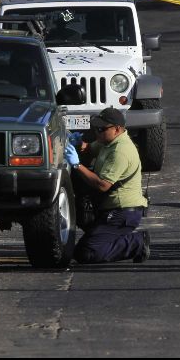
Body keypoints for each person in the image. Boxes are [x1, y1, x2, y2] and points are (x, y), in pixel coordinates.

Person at [64, 107, 150, 264]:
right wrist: (78, 143)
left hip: (122, 213)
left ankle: (136, 243)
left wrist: (77, 165)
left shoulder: (120, 151)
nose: (97, 132)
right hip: (108, 208)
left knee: (86, 252)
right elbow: (89, 149)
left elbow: (102, 185)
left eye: (101, 129)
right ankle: (105, 236)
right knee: (82, 215)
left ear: (117, 129)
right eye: (96, 128)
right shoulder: (108, 141)